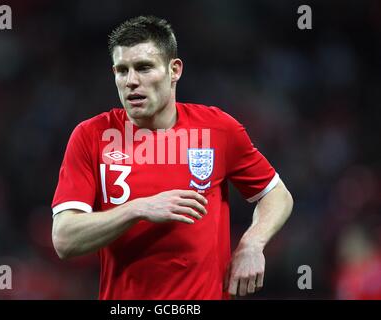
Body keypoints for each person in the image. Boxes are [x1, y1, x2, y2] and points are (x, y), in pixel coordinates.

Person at [51, 15, 293, 300]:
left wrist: (252, 244)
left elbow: (277, 194)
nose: (131, 81)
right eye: (122, 70)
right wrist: (137, 209)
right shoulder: (91, 136)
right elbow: (64, 239)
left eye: (143, 68)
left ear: (174, 69)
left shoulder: (217, 129)